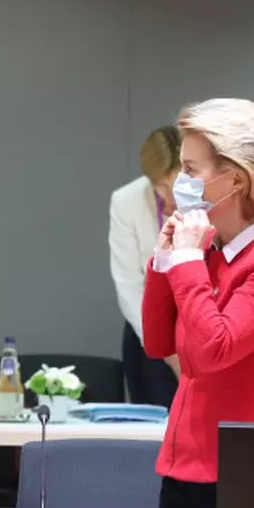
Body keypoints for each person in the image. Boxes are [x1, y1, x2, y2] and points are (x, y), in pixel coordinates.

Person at [142, 98, 254, 508]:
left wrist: (186, 263)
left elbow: (216, 348)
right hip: (184, 463)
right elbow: (157, 342)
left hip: (244, 474)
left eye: (192, 170)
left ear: (234, 180)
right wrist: (166, 260)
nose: (180, 181)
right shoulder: (210, 251)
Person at [109, 126, 182, 408]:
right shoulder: (126, 201)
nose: (171, 196)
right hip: (148, 330)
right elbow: (128, 285)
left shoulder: (209, 199)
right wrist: (168, 350)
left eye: (176, 185)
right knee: (157, 430)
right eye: (161, 187)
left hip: (204, 327)